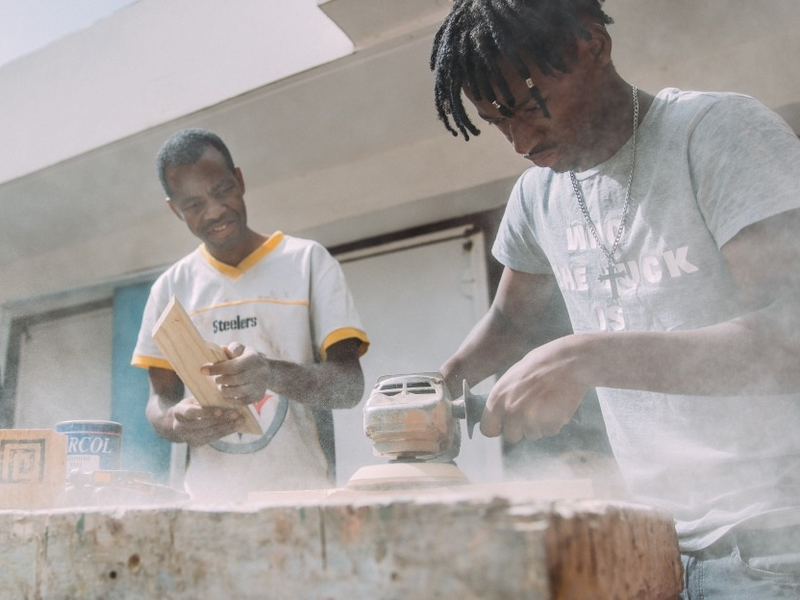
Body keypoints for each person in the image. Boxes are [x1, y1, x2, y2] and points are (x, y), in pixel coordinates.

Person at [430, 1, 800, 598]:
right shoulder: (537, 196)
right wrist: (437, 386)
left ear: (591, 47)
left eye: (526, 107)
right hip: (656, 544)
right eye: (497, 121)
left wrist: (589, 356)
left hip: (775, 542)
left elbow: (791, 339)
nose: (520, 141)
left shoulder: (715, 133)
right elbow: (509, 320)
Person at [131, 128, 369, 502]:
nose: (214, 211)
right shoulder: (169, 288)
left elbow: (349, 387)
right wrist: (176, 421)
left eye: (221, 190)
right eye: (193, 204)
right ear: (174, 209)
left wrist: (270, 374)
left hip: (303, 503)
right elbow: (159, 402)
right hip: (207, 509)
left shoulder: (308, 262)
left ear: (239, 181)